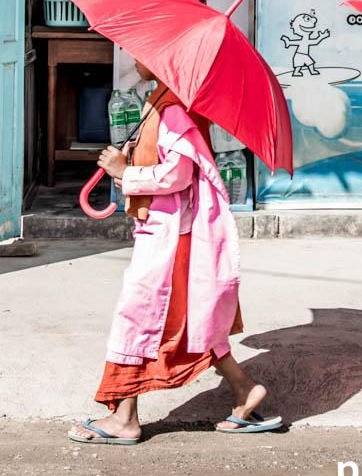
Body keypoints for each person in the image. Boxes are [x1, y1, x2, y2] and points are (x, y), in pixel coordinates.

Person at [68, 59, 282, 444]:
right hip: (166, 229)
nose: (136, 59)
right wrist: (134, 154)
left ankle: (125, 418)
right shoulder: (164, 100)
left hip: (170, 237)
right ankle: (244, 389)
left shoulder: (176, 108)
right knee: (189, 318)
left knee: (138, 315)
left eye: (143, 53)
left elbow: (177, 174)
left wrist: (123, 172)